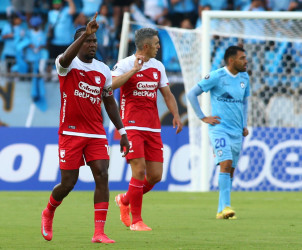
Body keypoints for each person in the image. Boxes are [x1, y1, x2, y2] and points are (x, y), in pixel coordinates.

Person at [40, 13, 130, 244]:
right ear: (78, 43)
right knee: (69, 182)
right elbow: (64, 60)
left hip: (95, 133)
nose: (92, 44)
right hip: (70, 132)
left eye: (94, 41)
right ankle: (49, 211)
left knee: (102, 175)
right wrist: (84, 35)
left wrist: (122, 132)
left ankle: (99, 232)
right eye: (88, 41)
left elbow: (109, 101)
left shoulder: (102, 70)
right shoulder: (67, 64)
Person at [111, 27, 183, 231]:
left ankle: (124, 200)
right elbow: (110, 85)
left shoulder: (158, 66)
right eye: (157, 44)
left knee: (155, 176)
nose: (159, 47)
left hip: (153, 128)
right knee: (139, 170)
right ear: (146, 46)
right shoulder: (125, 64)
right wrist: (134, 70)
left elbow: (167, 94)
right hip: (131, 126)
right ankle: (137, 221)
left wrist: (176, 115)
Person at [187, 45, 250, 219]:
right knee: (226, 162)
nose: (246, 61)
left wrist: (244, 125)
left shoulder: (245, 77)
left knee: (231, 170)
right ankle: (227, 206)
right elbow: (192, 94)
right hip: (219, 128)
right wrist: (203, 117)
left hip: (237, 130)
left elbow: (245, 102)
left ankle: (221, 210)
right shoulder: (217, 76)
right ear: (231, 60)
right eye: (242, 58)